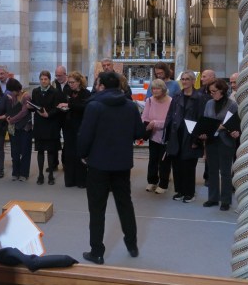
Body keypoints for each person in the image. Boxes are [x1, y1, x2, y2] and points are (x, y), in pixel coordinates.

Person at [77, 71, 146, 264]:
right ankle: (132, 245)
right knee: (125, 205)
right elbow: (139, 132)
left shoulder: (94, 105)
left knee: (97, 209)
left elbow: (85, 134)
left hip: (98, 163)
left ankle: (97, 252)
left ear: (101, 86)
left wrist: (82, 154)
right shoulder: (130, 105)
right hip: (122, 163)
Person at [163, 70, 206, 203]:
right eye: (183, 79)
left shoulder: (200, 97)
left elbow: (201, 118)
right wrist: (167, 134)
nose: (185, 81)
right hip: (176, 134)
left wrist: (197, 139)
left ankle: (189, 192)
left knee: (188, 165)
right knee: (176, 165)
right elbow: (170, 115)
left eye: (187, 79)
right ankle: (179, 191)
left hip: (191, 135)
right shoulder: (177, 96)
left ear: (193, 81)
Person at [199, 79, 240, 211]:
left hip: (226, 141)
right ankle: (213, 198)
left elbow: (236, 123)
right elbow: (205, 120)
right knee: (212, 170)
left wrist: (225, 127)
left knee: (225, 172)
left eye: (214, 91)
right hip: (211, 140)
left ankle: (226, 200)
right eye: (210, 92)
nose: (211, 94)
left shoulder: (232, 105)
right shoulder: (209, 103)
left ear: (222, 90)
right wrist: (203, 133)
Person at [31, 70, 66, 185]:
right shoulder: (35, 91)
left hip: (51, 124)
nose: (43, 81)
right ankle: (40, 175)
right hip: (39, 125)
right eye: (41, 79)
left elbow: (58, 108)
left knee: (51, 151)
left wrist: (48, 114)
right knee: (40, 151)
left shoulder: (55, 92)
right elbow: (34, 105)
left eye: (45, 79)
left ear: (49, 80)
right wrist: (30, 106)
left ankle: (51, 174)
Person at [59, 71, 90, 188]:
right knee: (69, 154)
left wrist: (69, 105)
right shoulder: (68, 92)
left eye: (72, 82)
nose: (70, 85)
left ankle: (81, 181)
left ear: (79, 82)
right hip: (68, 126)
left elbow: (84, 107)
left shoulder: (86, 93)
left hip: (80, 126)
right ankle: (70, 180)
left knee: (79, 154)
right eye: (69, 82)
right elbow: (66, 104)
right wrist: (62, 107)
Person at [141, 78, 172, 194]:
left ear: (163, 89)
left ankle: (163, 184)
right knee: (153, 159)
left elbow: (170, 121)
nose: (154, 91)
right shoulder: (149, 100)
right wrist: (147, 124)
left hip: (166, 136)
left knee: (164, 162)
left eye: (157, 88)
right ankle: (152, 181)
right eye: (153, 88)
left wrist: (155, 123)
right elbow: (144, 117)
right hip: (153, 135)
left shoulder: (171, 101)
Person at [6, 78, 33, 182]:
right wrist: (8, 116)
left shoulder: (26, 96)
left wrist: (12, 119)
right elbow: (11, 110)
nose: (11, 93)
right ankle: (15, 172)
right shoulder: (12, 97)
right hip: (14, 128)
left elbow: (24, 112)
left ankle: (24, 174)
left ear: (16, 89)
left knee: (25, 151)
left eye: (12, 91)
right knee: (15, 151)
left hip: (25, 127)